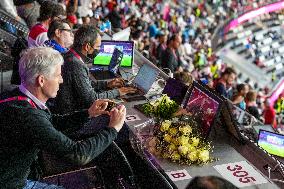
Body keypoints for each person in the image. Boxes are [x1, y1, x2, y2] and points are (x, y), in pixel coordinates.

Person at [0, 47, 126, 188]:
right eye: (58, 75)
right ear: (41, 80)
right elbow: (79, 155)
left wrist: (89, 113)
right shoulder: (27, 116)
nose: (61, 80)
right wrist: (113, 128)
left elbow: (51, 122)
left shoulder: (15, 96)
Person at [51, 25, 136, 116]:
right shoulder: (76, 64)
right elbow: (91, 99)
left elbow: (83, 84)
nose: (99, 50)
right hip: (71, 114)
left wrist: (106, 84)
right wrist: (118, 92)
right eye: (98, 47)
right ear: (87, 46)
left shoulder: (69, 55)